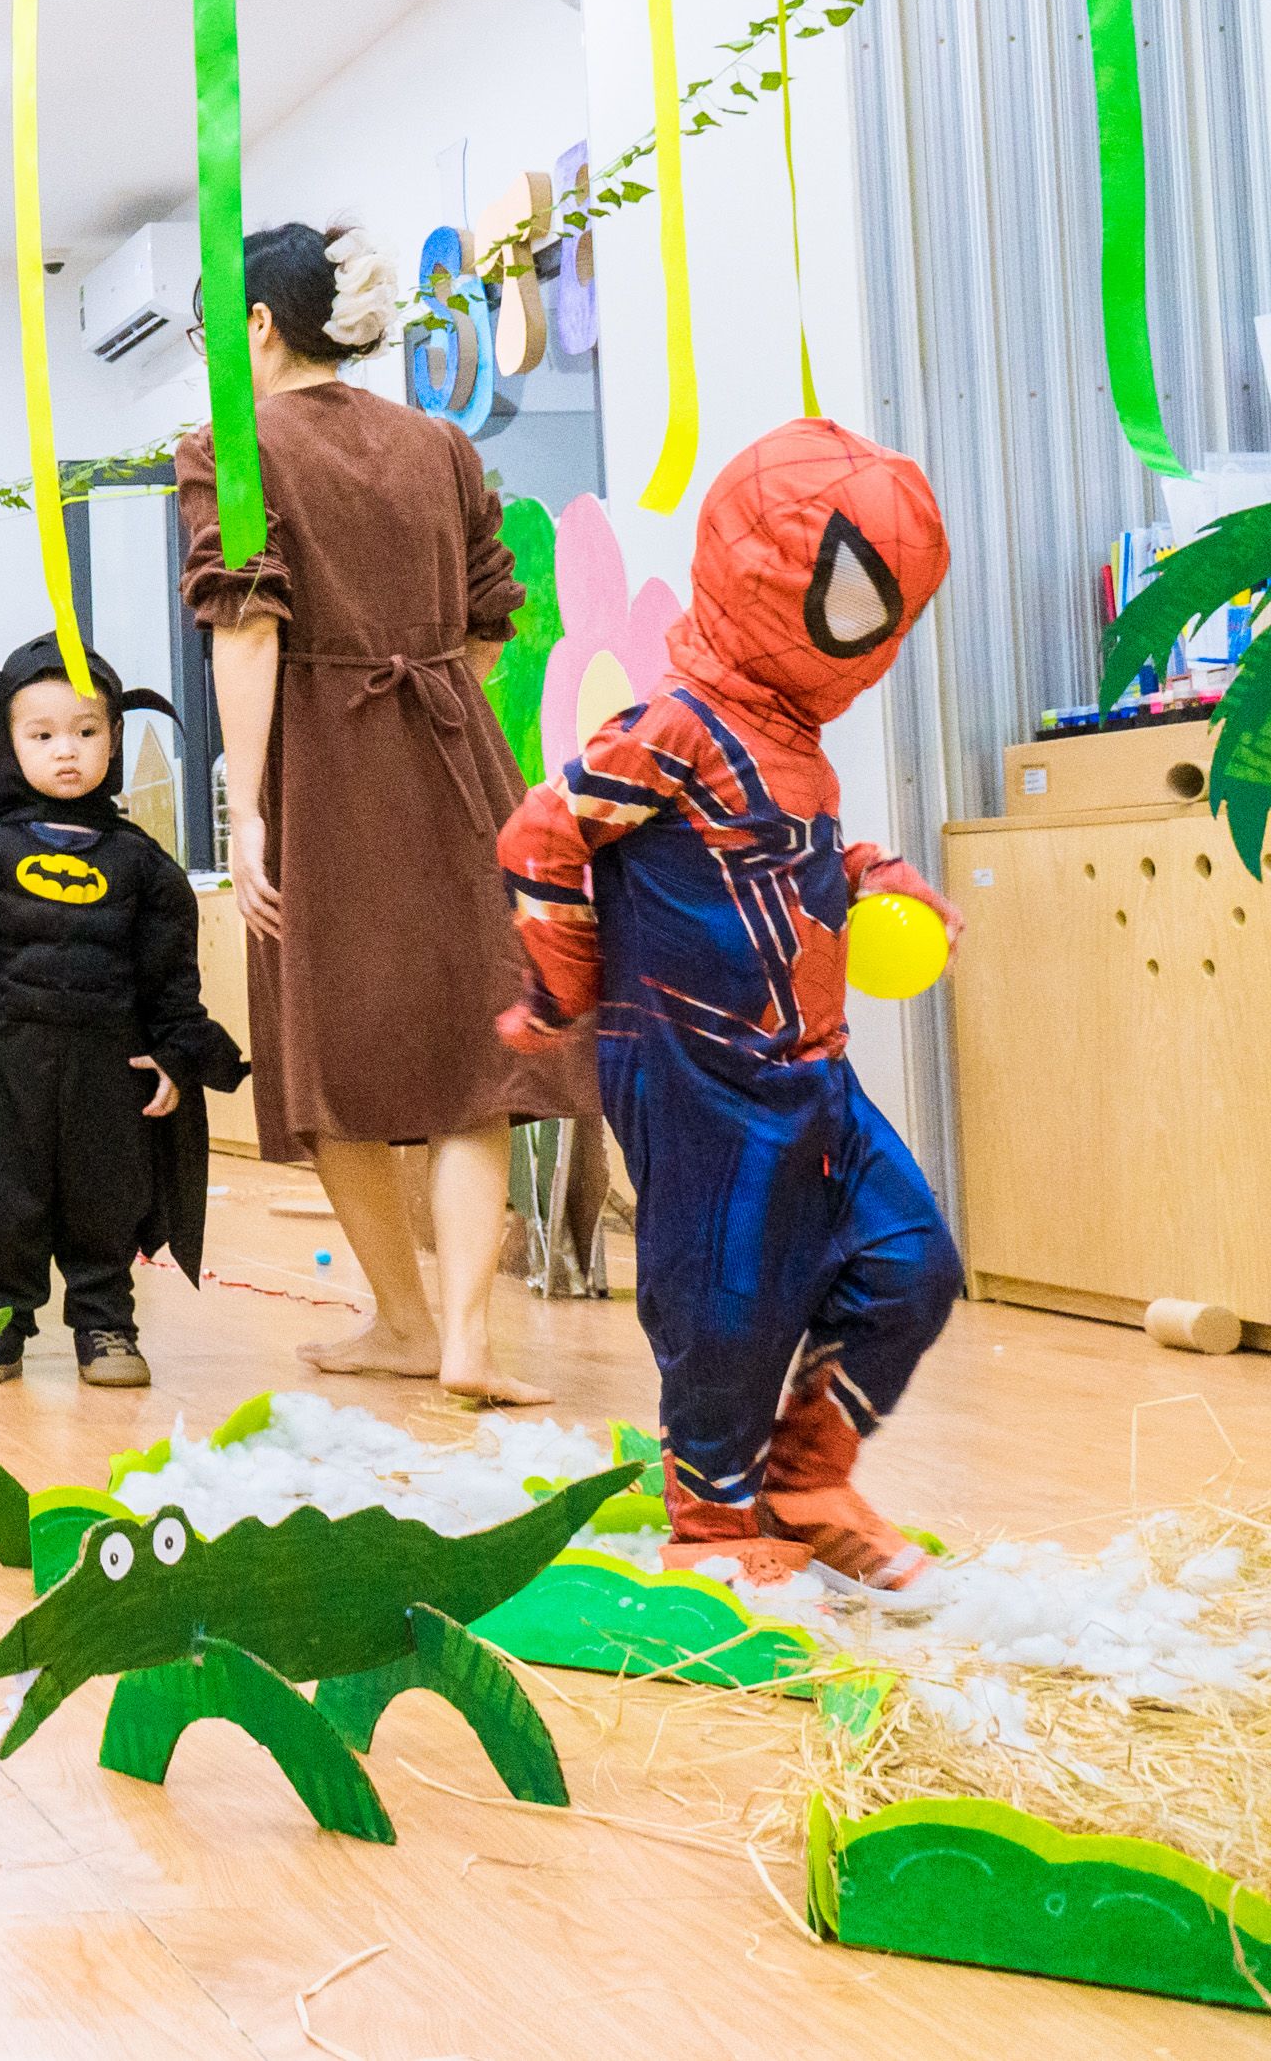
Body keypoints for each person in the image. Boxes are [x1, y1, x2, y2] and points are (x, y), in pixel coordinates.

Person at [496, 421, 958, 1590]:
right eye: (857, 605)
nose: (872, 639)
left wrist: (870, 872)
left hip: (810, 1071)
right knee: (724, 1304)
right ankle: (710, 1519)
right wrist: (565, 982)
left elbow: (785, 862)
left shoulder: (792, 741)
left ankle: (805, 1477)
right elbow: (543, 832)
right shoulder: (673, 729)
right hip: (698, 1079)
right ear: (772, 575)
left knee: (910, 1262)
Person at [178, 223, 595, 1405]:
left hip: (325, 766)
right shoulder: (438, 443)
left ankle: (403, 1320)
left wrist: (249, 808)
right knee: (474, 1052)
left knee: (328, 1051)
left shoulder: (232, 449)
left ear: (259, 325)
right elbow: (486, 623)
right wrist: (420, 687)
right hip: (457, 760)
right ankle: (463, 1338)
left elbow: (246, 628)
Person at [0, 638, 247, 1387]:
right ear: (8, 742)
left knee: (107, 1198)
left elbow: (172, 979)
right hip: (3, 1068)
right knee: (2, 1200)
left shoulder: (146, 867)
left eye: (85, 730)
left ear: (115, 735)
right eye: (41, 734)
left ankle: (105, 1323)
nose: (65, 750)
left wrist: (175, 1054)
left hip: (111, 1070)